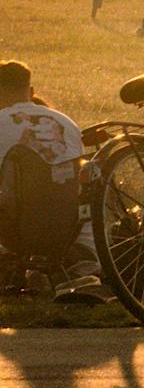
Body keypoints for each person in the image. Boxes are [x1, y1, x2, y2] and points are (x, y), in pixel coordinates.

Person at [0, 60, 106, 302]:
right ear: (32, 92)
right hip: (71, 230)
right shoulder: (67, 123)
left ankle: (23, 269)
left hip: (20, 231)